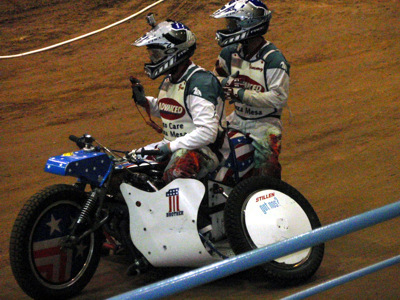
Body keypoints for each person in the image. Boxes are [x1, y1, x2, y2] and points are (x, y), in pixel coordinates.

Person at [130, 16, 226, 191]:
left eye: (156, 55)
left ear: (174, 53)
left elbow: (207, 133)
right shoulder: (171, 79)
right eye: (151, 55)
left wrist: (171, 147)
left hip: (205, 150)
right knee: (128, 166)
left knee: (173, 174)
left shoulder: (199, 82)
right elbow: (172, 110)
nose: (152, 60)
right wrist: (146, 102)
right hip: (173, 145)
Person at [211, 0, 290, 179]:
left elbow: (278, 99)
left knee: (266, 167)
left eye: (232, 23)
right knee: (208, 147)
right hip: (237, 119)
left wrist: (240, 93)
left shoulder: (274, 60)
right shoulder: (229, 54)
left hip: (265, 124)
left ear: (249, 25)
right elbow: (215, 81)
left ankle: (271, 195)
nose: (228, 28)